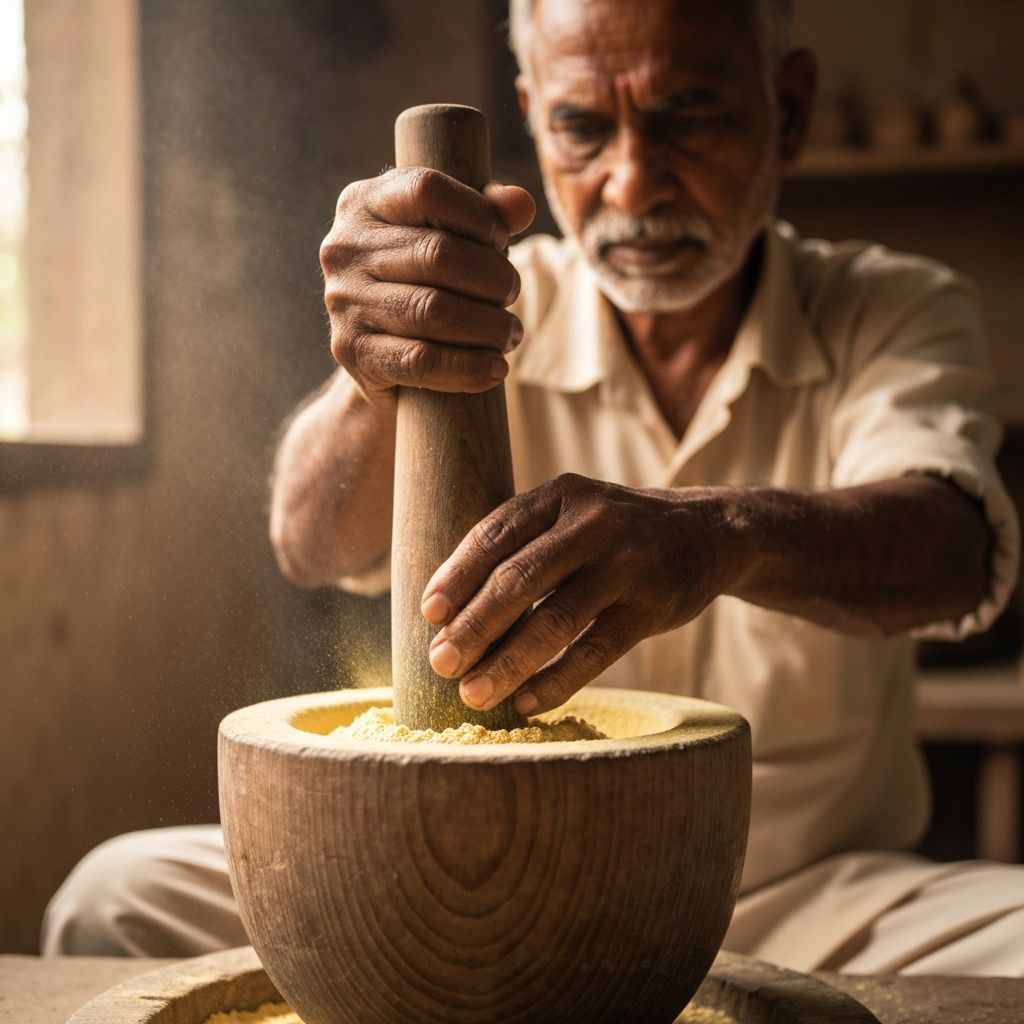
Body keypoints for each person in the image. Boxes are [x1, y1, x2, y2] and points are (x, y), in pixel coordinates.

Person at [43, 0, 1024, 974]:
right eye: (582, 126)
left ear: (790, 107)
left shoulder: (891, 306)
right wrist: (368, 379)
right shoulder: (468, 304)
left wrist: (722, 534)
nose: (633, 180)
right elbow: (307, 542)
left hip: (798, 897)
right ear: (531, 112)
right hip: (466, 867)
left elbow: (953, 550)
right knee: (113, 899)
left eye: (689, 116)